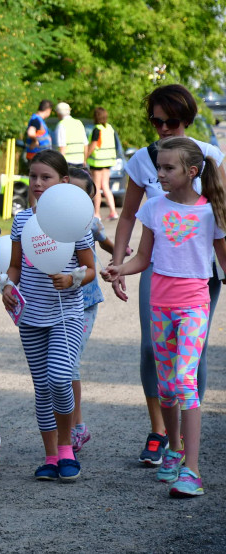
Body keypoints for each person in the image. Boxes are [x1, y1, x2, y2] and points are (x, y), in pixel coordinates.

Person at [102, 137, 226, 497]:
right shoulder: (155, 208)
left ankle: (193, 471)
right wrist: (120, 268)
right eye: (159, 168)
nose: (160, 174)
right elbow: (143, 257)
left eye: (168, 168)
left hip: (194, 305)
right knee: (167, 385)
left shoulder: (210, 212)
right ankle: (174, 450)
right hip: (161, 305)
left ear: (191, 172)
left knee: (185, 382)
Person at [1, 149, 95, 482]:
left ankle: (67, 448)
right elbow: (14, 266)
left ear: (64, 182)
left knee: (59, 377)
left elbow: (91, 269)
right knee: (42, 388)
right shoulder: (23, 219)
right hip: (31, 316)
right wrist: (7, 287)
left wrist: (73, 278)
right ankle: (51, 456)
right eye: (34, 176)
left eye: (46, 177)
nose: (38, 183)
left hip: (66, 314)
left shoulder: (75, 220)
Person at [66, 168, 115, 453]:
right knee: (61, 365)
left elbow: (104, 240)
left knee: (70, 363)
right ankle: (69, 425)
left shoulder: (90, 222)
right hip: (57, 300)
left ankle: (78, 427)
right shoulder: (49, 220)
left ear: (89, 198)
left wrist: (119, 255)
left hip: (85, 301)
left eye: (79, 192)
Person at [85, 107, 119, 219]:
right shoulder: (109, 128)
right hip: (108, 161)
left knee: (97, 187)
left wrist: (85, 157)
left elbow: (93, 145)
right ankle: (113, 211)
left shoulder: (97, 129)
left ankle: (96, 213)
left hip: (98, 162)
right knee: (106, 186)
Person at [53, 102, 88, 169]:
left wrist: (60, 164)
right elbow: (85, 145)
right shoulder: (79, 123)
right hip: (80, 161)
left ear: (58, 113)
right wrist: (84, 160)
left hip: (68, 162)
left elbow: (62, 147)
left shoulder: (61, 124)